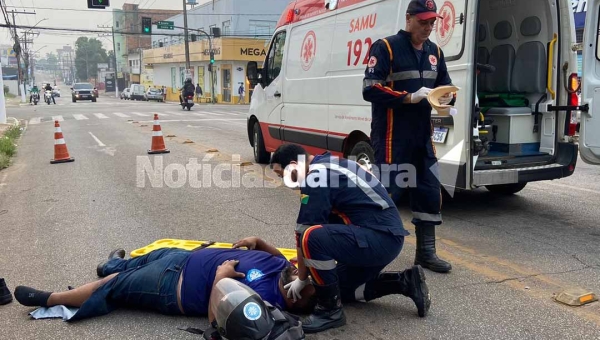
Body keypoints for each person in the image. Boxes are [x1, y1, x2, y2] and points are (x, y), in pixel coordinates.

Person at [270, 144, 430, 334]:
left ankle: (330, 312)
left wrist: (303, 277)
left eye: (283, 175)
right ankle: (405, 282)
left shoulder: (316, 176)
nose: (286, 181)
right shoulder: (330, 163)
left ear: (294, 165)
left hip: (378, 238)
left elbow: (303, 233)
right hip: (382, 238)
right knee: (336, 288)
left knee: (311, 237)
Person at [13, 237, 317, 322]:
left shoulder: (264, 303)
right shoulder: (282, 266)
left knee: (117, 282)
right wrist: (259, 242)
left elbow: (216, 321)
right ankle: (109, 263)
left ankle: (50, 299)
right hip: (184, 257)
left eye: (306, 283)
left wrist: (221, 279)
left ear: (297, 299)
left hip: (173, 286)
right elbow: (281, 253)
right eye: (306, 273)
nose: (301, 273)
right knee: (142, 257)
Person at [362, 0, 454, 274]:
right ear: (409, 19)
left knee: (428, 190)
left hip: (422, 135)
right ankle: (370, 254)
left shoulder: (435, 51)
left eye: (431, 23)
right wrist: (408, 97)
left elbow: (444, 86)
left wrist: (448, 97)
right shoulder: (386, 47)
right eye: (423, 22)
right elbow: (370, 88)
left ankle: (426, 253)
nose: (428, 28)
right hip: (392, 135)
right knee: (387, 192)